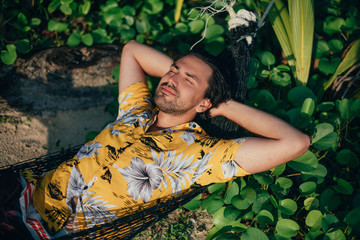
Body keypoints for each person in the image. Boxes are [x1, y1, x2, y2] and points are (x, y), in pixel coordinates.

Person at [2, 40, 310, 239]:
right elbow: (132, 50)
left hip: (55, 234)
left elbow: (295, 143)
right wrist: (184, 80)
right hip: (25, 193)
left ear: (204, 104)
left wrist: (223, 104)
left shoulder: (204, 156)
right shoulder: (136, 109)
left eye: (188, 79)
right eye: (173, 70)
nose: (172, 78)